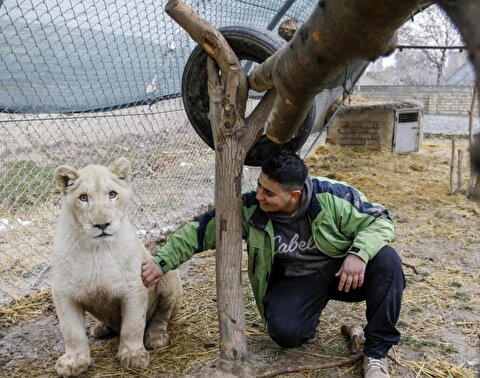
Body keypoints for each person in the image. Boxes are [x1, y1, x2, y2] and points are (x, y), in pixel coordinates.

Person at [142, 150, 404, 378]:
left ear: (294, 196)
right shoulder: (251, 208)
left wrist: (358, 254)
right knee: (285, 334)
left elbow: (381, 220)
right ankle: (306, 319)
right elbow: (201, 230)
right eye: (258, 186)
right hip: (298, 281)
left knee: (387, 260)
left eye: (268, 193)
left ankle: (376, 352)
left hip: (343, 273)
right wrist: (162, 262)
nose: (259, 196)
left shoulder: (333, 197)